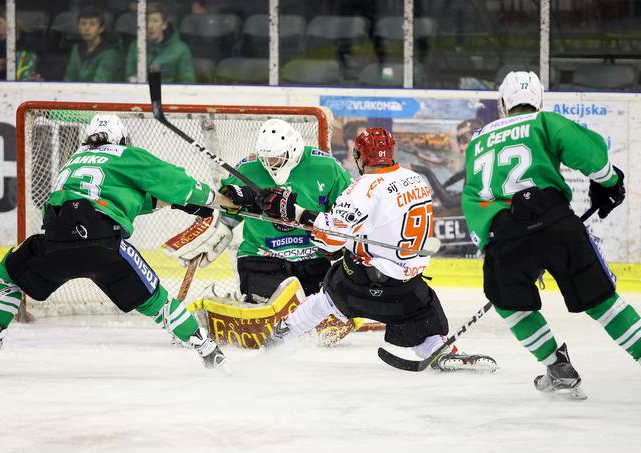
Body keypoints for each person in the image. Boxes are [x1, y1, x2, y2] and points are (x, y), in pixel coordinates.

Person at [0, 114, 232, 377]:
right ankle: (208, 350)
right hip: (103, 245)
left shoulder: (74, 160)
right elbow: (176, 182)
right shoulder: (126, 155)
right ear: (121, 139)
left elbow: (120, 198)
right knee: (156, 302)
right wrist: (214, 200)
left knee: (9, 276)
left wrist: (174, 202)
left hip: (55, 242)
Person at [259, 127, 496, 372]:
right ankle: (442, 352)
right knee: (420, 323)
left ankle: (280, 337)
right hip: (407, 286)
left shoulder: (363, 188)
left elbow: (330, 241)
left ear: (360, 156)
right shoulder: (415, 179)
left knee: (327, 298)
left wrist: (295, 212)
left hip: (361, 283)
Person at [462, 71, 639, 398]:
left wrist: (492, 241)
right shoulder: (544, 121)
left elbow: (471, 195)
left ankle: (557, 368)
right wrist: (609, 181)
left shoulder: (478, 139)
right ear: (539, 100)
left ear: (503, 103)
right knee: (602, 302)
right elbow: (589, 155)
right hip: (557, 223)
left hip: (505, 234)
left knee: (509, 304)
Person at [173, 118, 353, 303]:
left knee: (314, 315)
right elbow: (226, 212)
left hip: (312, 259)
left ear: (292, 149)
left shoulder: (326, 167)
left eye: (276, 156)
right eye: (266, 157)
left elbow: (349, 212)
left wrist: (341, 244)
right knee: (266, 312)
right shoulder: (247, 168)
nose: (270, 162)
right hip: (260, 258)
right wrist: (217, 233)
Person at [125, 2, 196, 83]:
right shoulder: (135, 47)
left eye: (155, 21)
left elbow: (187, 83)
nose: (150, 26)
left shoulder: (181, 49)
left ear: (164, 24)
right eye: (146, 21)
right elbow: (128, 79)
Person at [63, 6, 123, 82]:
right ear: (78, 27)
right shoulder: (76, 48)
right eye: (83, 24)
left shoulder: (110, 53)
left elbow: (99, 84)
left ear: (101, 28)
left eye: (92, 24)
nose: (87, 28)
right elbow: (69, 78)